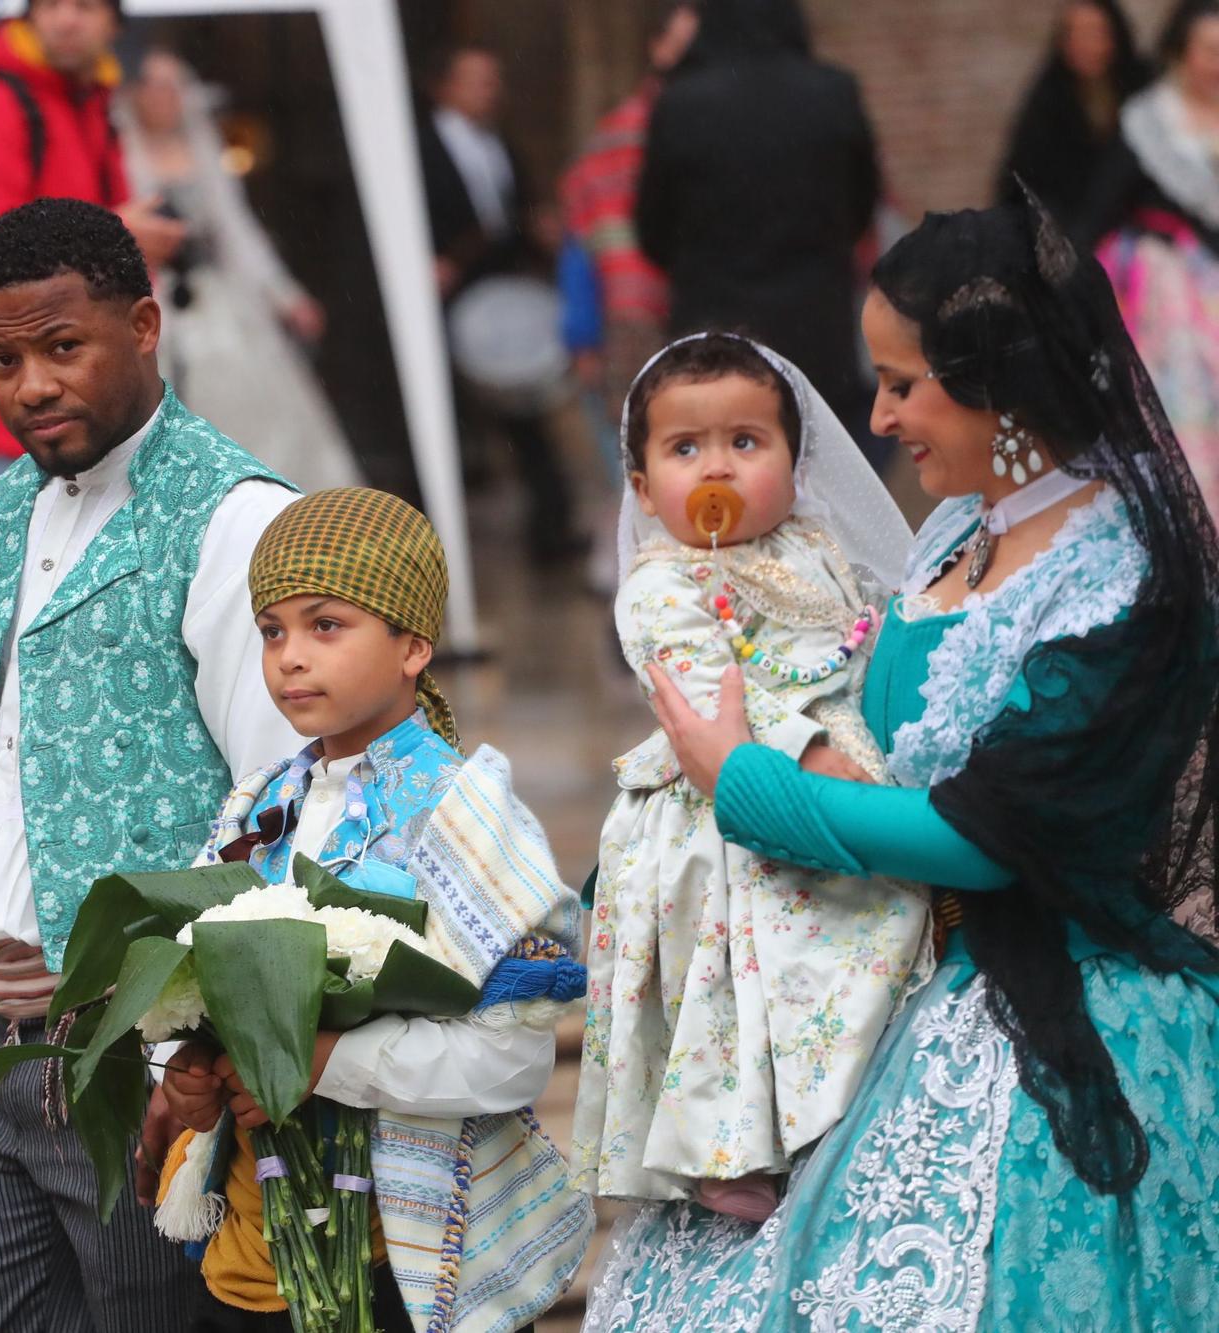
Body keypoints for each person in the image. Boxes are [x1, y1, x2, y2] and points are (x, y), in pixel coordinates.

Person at [582, 201, 1219, 1329]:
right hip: (892, 977)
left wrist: (744, 781)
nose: (874, 414)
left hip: (1066, 1006)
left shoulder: (1119, 575)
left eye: (900, 383)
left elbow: (985, 837)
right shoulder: (953, 534)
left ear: (998, 384)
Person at [0, 198, 301, 1332]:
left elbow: (271, 810)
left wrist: (198, 1059)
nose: (31, 384)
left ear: (141, 325)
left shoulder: (234, 518)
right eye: (2, 359)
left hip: (150, 1067)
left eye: (61, 347)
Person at [154, 487, 593, 1333]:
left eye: (326, 625)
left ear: (413, 644)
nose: (289, 657)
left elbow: (514, 1063)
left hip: (404, 1265)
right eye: (272, 630)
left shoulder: (464, 812)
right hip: (256, 1261)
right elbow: (195, 990)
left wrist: (326, 1062)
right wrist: (193, 1074)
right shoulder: (257, 804)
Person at [570, 333, 927, 1224]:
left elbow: (867, 633)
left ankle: (846, 1100)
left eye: (745, 441)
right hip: (722, 786)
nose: (716, 466)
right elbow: (692, 685)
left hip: (844, 756)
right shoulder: (661, 580)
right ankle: (728, 1139)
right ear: (645, 489)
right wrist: (807, 758)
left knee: (877, 930)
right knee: (736, 960)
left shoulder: (817, 545)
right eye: (685, 450)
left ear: (795, 463)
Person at [0, 0, 185, 520]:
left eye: (84, 6)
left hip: (72, 412)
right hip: (0, 416)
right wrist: (117, 234)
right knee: (6, 593)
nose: (66, 19)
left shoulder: (88, 106)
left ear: (114, 22)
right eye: (49, 5)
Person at [637, 0, 882, 453]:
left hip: (715, 321)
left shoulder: (679, 103)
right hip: (816, 321)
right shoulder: (832, 92)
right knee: (817, 461)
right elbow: (862, 206)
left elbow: (652, 230)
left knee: (725, 464)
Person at [118, 50, 359, 494]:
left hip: (216, 296)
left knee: (259, 404)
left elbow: (237, 230)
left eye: (172, 86)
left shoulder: (202, 150)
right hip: (154, 297)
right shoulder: (118, 154)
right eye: (152, 85)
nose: (162, 97)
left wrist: (284, 295)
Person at [419, 44, 582, 561]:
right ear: (445, 87)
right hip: (444, 295)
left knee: (525, 409)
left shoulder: (504, 147)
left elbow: (513, 217)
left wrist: (539, 237)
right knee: (440, 415)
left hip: (499, 292)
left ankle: (551, 528)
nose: (489, 91)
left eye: (493, 81)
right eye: (476, 80)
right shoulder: (417, 147)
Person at [1084, 0, 1219, 516]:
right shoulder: (1149, 122)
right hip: (1169, 295)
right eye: (1208, 50)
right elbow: (1099, 207)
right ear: (1181, 54)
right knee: (1183, 412)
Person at [560, 0, 700, 409]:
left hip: (707, 315)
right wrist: (583, 336)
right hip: (632, 329)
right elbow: (580, 241)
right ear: (657, 47)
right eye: (682, 42)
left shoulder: (721, 124)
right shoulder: (616, 136)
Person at [995, 1, 1151, 233]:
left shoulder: (1141, 92)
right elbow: (1022, 182)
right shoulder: (1047, 103)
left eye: (1096, 33)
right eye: (1077, 35)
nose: (1088, 46)